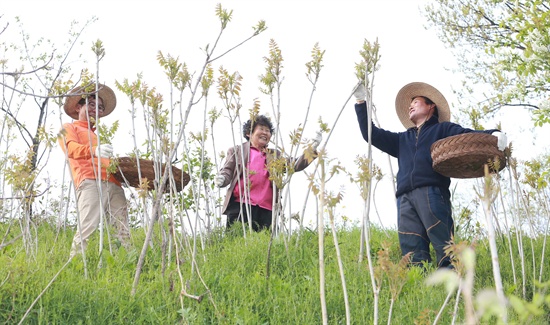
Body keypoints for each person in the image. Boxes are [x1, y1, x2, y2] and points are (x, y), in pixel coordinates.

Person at [353, 82, 506, 269]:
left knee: (444, 244)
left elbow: (468, 135)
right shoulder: (402, 139)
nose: (410, 106)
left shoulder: (442, 130)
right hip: (404, 198)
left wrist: (494, 135)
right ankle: (420, 287)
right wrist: (361, 103)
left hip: (432, 192)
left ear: (430, 106)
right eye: (410, 103)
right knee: (411, 249)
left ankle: (452, 284)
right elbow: (371, 135)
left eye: (416, 102)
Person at [59, 83, 131, 258]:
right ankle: (75, 266)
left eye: (100, 107)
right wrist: (93, 151)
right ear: (78, 107)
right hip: (90, 182)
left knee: (122, 231)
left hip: (114, 185)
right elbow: (70, 149)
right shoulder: (69, 128)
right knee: (87, 227)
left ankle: (129, 265)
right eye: (91, 104)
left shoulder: (99, 136)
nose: (96, 110)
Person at [215, 114, 322, 231]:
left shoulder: (274, 155)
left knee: (265, 246)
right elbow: (228, 170)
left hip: (267, 208)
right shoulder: (237, 151)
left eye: (268, 131)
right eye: (261, 129)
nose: (265, 133)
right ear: (248, 133)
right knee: (236, 242)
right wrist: (222, 178)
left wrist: (311, 150)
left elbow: (294, 165)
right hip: (241, 204)